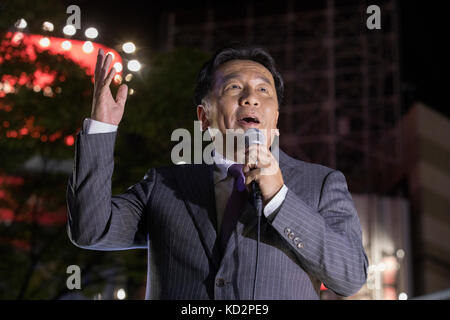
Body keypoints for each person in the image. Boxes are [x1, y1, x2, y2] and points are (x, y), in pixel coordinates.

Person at [66, 44, 368, 300]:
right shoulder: (164, 185)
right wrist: (101, 129)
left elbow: (351, 275)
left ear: (275, 118)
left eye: (264, 90)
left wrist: (279, 198)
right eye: (234, 87)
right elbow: (90, 229)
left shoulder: (322, 183)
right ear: (204, 116)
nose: (251, 97)